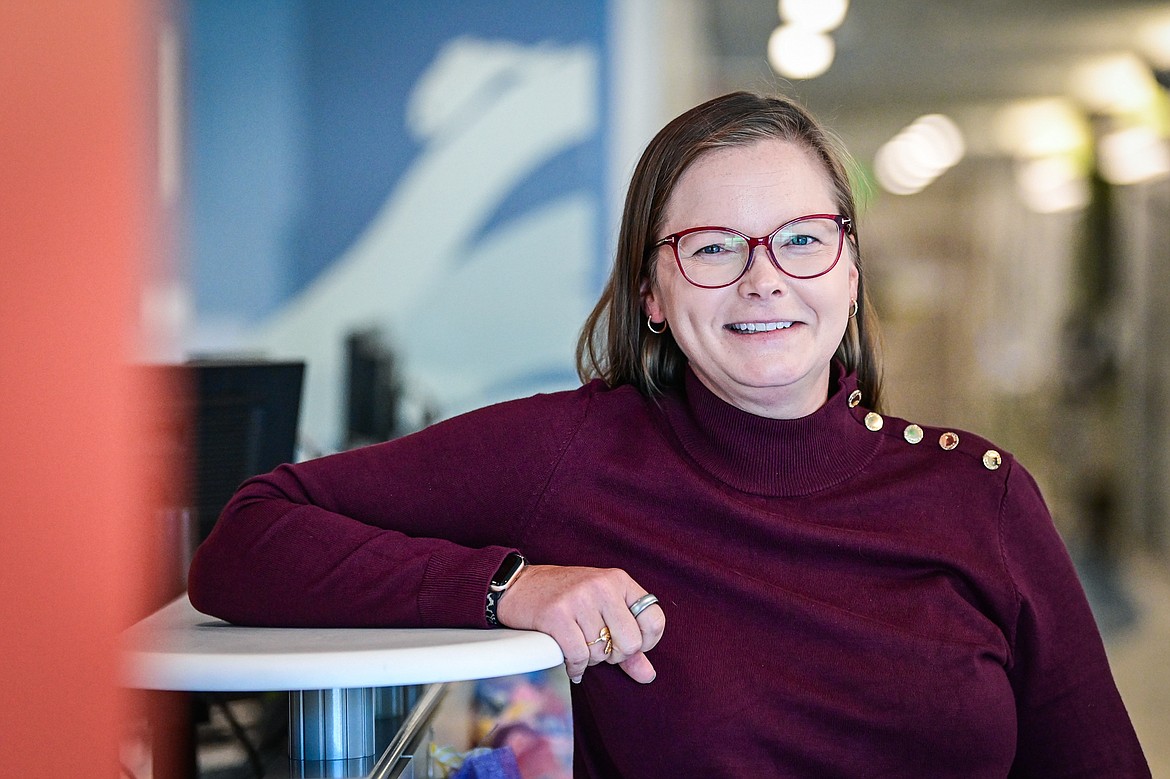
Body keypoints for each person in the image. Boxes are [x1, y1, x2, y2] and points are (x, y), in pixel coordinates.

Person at [188, 91, 1150, 777]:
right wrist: (507, 588)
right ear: (650, 291)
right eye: (713, 248)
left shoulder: (981, 497)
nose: (764, 278)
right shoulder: (574, 456)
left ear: (850, 271)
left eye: (803, 237)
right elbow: (249, 536)